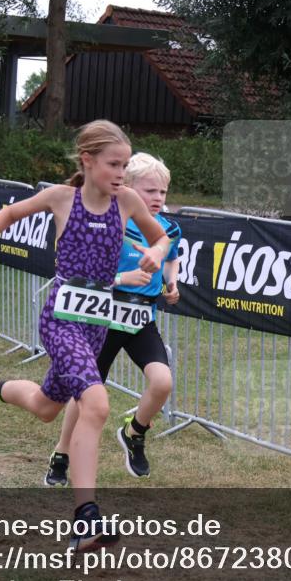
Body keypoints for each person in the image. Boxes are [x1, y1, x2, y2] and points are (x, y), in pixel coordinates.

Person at [0, 120, 170, 552]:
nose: (120, 173)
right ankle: (85, 517)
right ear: (87, 161)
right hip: (60, 320)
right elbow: (9, 213)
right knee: (95, 402)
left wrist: (155, 252)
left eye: (125, 165)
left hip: (96, 326)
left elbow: (162, 236)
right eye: (113, 164)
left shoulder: (126, 202)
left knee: (46, 407)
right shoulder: (62, 198)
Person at [44, 153, 181, 486]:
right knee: (85, 393)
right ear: (130, 190)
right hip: (100, 319)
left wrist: (172, 280)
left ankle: (134, 433)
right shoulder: (112, 221)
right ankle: (61, 453)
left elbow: (172, 255)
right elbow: (86, 271)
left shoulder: (167, 228)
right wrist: (123, 278)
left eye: (163, 192)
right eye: (150, 191)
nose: (158, 199)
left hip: (139, 320)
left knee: (163, 382)